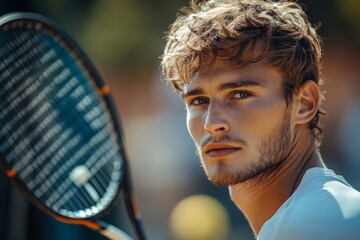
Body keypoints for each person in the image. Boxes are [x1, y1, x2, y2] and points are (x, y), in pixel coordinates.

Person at [160, 0, 360, 239]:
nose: (211, 123)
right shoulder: (317, 215)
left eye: (241, 94)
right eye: (199, 101)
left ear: (304, 104)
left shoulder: (312, 224)